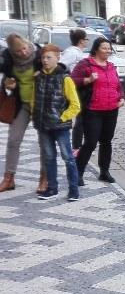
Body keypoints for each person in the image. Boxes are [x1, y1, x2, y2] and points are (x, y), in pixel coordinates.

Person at [72, 37, 124, 185]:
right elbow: (71, 80)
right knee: (90, 142)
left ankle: (104, 172)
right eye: (104, 48)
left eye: (109, 48)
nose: (108, 51)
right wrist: (87, 80)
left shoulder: (112, 66)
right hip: (93, 110)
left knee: (106, 142)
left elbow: (118, 85)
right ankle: (78, 172)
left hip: (111, 110)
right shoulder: (86, 64)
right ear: (96, 49)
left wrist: (121, 97)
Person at [32, 44, 81, 201]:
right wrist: (35, 115)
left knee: (68, 157)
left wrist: (62, 117)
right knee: (49, 157)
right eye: (43, 58)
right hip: (43, 125)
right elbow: (34, 99)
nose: (45, 61)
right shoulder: (38, 77)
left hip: (60, 126)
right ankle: (52, 188)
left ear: (57, 58)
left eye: (49, 57)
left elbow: (75, 105)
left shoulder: (65, 79)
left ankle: (73, 190)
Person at [0, 33, 44, 192]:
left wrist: (43, 74)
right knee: (13, 140)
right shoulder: (8, 60)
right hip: (22, 104)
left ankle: (44, 178)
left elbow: (59, 68)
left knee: (44, 142)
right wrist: (8, 85)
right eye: (18, 51)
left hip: (41, 103)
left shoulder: (39, 54)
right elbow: (6, 81)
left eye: (24, 48)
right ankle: (8, 178)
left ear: (28, 44)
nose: (23, 53)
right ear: (12, 52)